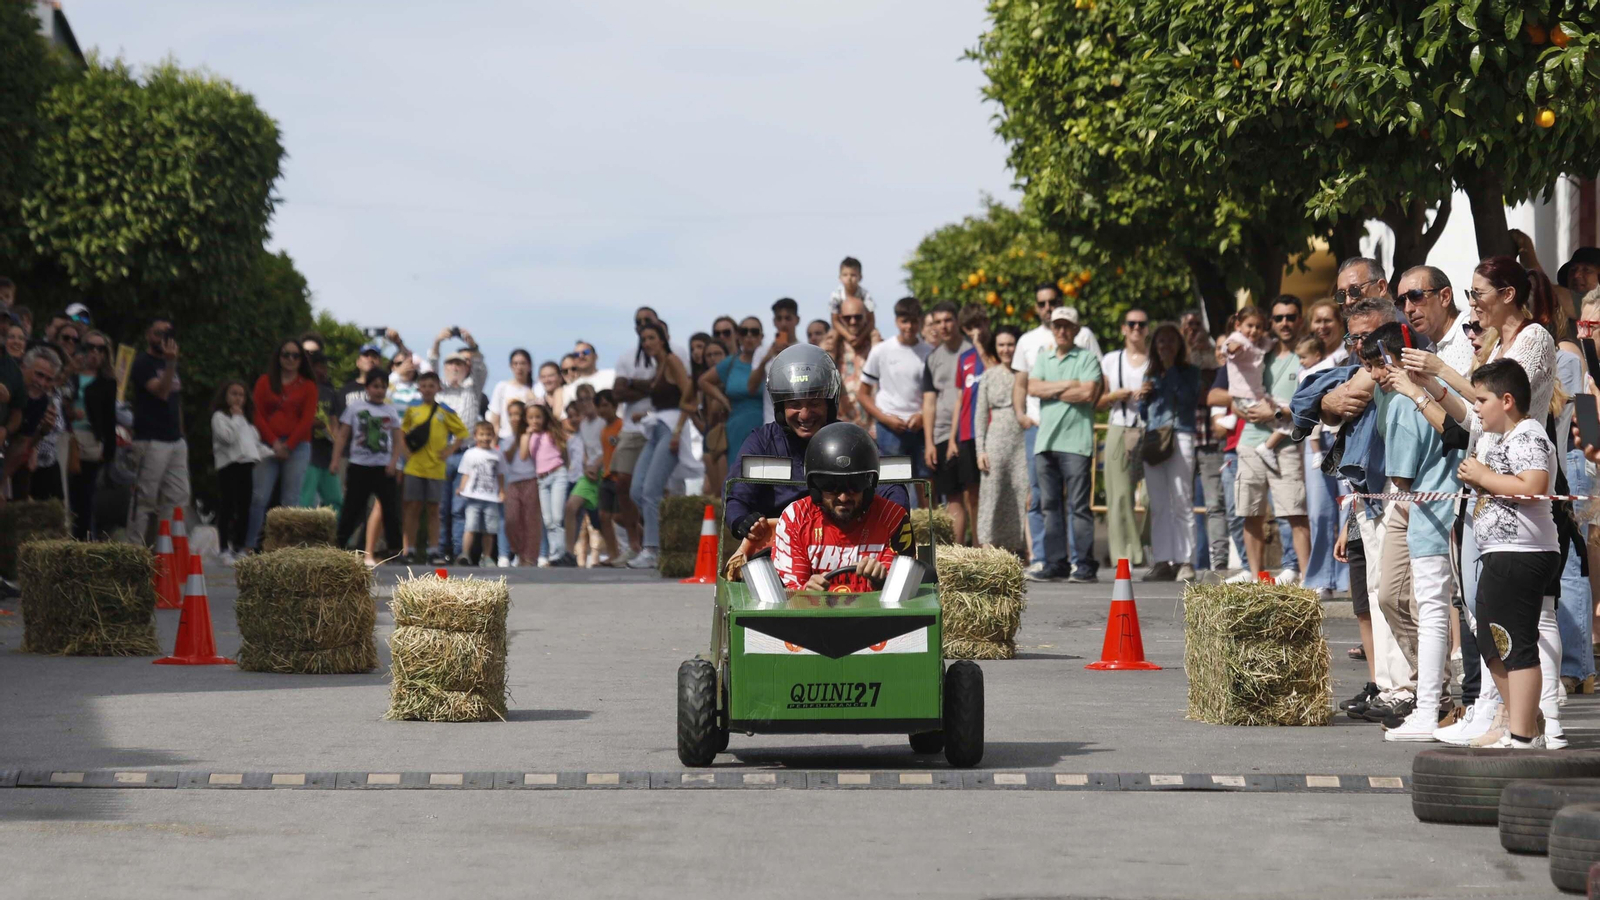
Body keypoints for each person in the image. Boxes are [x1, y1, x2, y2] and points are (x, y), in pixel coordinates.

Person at [1355, 324, 1465, 741]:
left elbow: (1401, 476)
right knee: (1393, 596)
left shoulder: (1409, 397)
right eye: (1369, 365)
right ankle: (1428, 687)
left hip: (1423, 499)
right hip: (1414, 500)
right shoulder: (1398, 393)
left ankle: (1433, 695)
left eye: (1380, 363)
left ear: (1401, 358)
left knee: (1427, 603)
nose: (1376, 373)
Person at [1459, 359, 1562, 749]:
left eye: (1481, 400)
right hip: (1500, 553)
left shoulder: (1528, 434)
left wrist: (1482, 477)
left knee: (1515, 643)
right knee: (1489, 639)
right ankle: (1522, 719)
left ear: (1506, 400)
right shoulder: (1500, 439)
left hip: (1523, 553)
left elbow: (1534, 484)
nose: (1476, 408)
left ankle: (1522, 735)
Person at [723, 343, 910, 541]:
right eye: (794, 404)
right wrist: (742, 521)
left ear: (829, 404)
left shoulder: (852, 439)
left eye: (814, 403)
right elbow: (736, 496)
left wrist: (891, 521)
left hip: (846, 548)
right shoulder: (762, 442)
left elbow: (891, 486)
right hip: (777, 551)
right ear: (780, 407)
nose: (804, 415)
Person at [1013, 283, 1103, 575]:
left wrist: (1053, 390)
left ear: (1076, 330)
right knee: (1049, 505)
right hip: (1045, 441)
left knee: (1078, 506)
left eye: (1067, 326)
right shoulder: (1043, 357)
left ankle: (1084, 563)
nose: (1062, 331)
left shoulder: (1087, 358)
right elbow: (1033, 387)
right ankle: (1056, 562)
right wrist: (1070, 386)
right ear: (1052, 329)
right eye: (1057, 326)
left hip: (1076, 442)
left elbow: (1089, 393)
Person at [772, 421, 911, 593]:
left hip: (876, 618)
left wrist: (882, 584)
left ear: (869, 485)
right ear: (815, 487)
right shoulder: (794, 518)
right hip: (813, 617)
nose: (843, 497)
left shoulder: (894, 518)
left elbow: (905, 595)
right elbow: (787, 596)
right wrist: (805, 593)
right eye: (830, 485)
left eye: (855, 484)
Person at [1234, 296, 1310, 584]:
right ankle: (1255, 578)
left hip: (1287, 442)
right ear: (1271, 323)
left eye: (1290, 317)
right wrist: (1245, 408)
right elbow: (1233, 393)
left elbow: (1311, 401)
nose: (1285, 323)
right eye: (1278, 318)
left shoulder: (1307, 354)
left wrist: (1277, 410)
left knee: (1295, 511)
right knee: (1250, 511)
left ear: (1299, 319)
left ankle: (1306, 579)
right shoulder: (1257, 353)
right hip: (1251, 440)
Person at [626, 321, 697, 569]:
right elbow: (668, 400)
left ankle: (652, 549)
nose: (647, 343)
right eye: (644, 339)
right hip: (657, 427)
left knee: (651, 490)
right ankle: (663, 539)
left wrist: (678, 431)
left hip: (671, 429)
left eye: (651, 338)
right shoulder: (658, 366)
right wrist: (645, 413)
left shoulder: (673, 360)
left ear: (663, 338)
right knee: (637, 490)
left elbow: (689, 395)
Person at [1139, 322, 1200, 582]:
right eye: (1161, 341)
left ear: (1179, 346)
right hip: (1154, 439)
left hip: (1180, 434)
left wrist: (1171, 369)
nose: (1166, 346)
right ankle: (1162, 561)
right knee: (1159, 503)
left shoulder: (1189, 372)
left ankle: (1185, 561)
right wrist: (1143, 397)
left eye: (1171, 341)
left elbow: (1188, 399)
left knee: (1181, 499)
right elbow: (1145, 414)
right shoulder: (1150, 375)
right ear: (1154, 346)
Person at [245, 339, 318, 550]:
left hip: (298, 446)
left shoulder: (308, 386)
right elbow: (256, 413)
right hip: (268, 444)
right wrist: (275, 442)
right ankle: (249, 546)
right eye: (286, 354)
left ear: (301, 360)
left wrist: (289, 445)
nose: (290, 359)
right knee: (259, 496)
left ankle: (284, 550)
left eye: (295, 356)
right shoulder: (265, 382)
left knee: (290, 499)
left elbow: (307, 419)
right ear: (278, 357)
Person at [127, 317, 189, 546]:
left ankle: (164, 553)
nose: (162, 337)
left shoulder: (170, 363)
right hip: (151, 440)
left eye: (167, 333)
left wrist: (181, 432)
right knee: (145, 498)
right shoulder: (143, 363)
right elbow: (162, 392)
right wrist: (171, 363)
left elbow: (175, 400)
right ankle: (134, 552)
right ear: (148, 335)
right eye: (157, 333)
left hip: (174, 440)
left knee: (178, 497)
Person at [331, 371, 404, 567]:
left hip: (383, 467)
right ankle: (338, 545)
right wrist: (335, 460)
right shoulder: (355, 408)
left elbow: (397, 440)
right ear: (367, 388)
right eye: (375, 386)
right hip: (359, 466)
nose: (379, 391)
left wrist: (393, 462)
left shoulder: (390, 411)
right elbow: (343, 435)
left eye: (382, 387)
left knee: (390, 509)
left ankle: (395, 550)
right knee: (352, 508)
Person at [1098, 309, 1151, 569]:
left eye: (1141, 324)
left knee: (1154, 495)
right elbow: (1098, 400)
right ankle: (1124, 555)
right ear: (1123, 328)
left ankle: (1147, 544)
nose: (1136, 328)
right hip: (1120, 426)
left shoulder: (1154, 360)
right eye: (1132, 324)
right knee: (1119, 495)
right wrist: (1115, 395)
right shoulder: (1111, 359)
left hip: (1151, 429)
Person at [858, 297, 932, 477]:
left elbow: (936, 394)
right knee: (893, 483)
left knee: (925, 481)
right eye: (904, 321)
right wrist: (885, 418)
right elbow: (863, 393)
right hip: (889, 428)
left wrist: (922, 415)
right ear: (896, 321)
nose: (909, 327)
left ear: (920, 321)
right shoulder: (882, 350)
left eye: (914, 321)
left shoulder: (930, 352)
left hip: (921, 426)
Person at [919, 302, 975, 541]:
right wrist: (929, 442)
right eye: (938, 321)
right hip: (941, 434)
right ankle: (957, 555)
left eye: (948, 320)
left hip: (970, 432)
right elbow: (929, 402)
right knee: (952, 496)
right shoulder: (933, 359)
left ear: (957, 322)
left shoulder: (973, 351)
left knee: (973, 494)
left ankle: (981, 550)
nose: (943, 326)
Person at [430, 330, 487, 561]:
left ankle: (457, 551)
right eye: (450, 364)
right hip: (441, 455)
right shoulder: (437, 390)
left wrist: (472, 344)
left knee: (460, 508)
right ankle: (442, 550)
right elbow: (431, 365)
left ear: (466, 367)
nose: (455, 367)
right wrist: (437, 340)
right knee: (441, 508)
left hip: (466, 454)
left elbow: (481, 366)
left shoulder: (472, 388)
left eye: (459, 364)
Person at [400, 371, 468, 565]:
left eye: (431, 385)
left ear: (438, 388)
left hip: (436, 467)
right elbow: (402, 431)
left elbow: (462, 433)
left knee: (433, 509)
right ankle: (409, 550)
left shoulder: (445, 410)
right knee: (412, 508)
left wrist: (449, 451)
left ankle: (433, 550)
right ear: (419, 388)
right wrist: (405, 452)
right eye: (424, 386)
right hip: (414, 467)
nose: (427, 389)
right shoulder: (412, 409)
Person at [974, 326, 1028, 555]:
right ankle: (987, 547)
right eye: (1002, 345)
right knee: (992, 494)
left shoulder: (1027, 374)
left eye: (1010, 344)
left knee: (1021, 493)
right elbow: (980, 415)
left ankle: (1018, 549)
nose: (1006, 349)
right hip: (995, 441)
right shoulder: (989, 376)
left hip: (1022, 441)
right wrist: (980, 450)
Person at [1223, 306, 1291, 475]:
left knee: (1288, 408)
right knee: (1289, 421)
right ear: (1239, 325)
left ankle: (1267, 446)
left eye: (1258, 327)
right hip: (1245, 397)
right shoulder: (1238, 339)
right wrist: (1234, 347)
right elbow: (1229, 346)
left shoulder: (1259, 343)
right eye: (1249, 326)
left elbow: (1270, 344)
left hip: (1257, 394)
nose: (1254, 331)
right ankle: (1267, 447)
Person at [699, 316, 765, 474]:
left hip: (763, 425)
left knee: (762, 477)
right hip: (735, 426)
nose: (749, 336)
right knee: (737, 477)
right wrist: (722, 399)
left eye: (754, 332)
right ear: (738, 336)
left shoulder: (770, 361)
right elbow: (703, 381)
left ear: (761, 337)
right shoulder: (732, 362)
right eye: (744, 331)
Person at [68, 330, 117, 540]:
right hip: (67, 436)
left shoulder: (108, 383)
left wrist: (109, 451)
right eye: (90, 347)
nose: (95, 353)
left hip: (90, 439)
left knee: (85, 496)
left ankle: (82, 541)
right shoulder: (70, 375)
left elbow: (109, 418)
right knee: (64, 493)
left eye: (101, 349)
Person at [454, 422, 506, 567]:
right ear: (475, 436)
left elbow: (500, 474)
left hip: (491, 497)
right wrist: (461, 487)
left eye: (488, 434)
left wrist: (502, 491)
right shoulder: (470, 453)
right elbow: (466, 473)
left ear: (493, 436)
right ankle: (465, 554)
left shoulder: (497, 454)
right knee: (470, 526)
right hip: (473, 497)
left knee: (489, 529)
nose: (485, 437)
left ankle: (487, 556)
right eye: (482, 434)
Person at [498, 400, 541, 567]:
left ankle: (529, 557)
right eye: (511, 415)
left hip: (531, 479)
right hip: (513, 482)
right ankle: (518, 550)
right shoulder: (507, 439)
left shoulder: (533, 435)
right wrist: (518, 438)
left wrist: (527, 435)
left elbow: (528, 456)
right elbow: (507, 458)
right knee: (511, 520)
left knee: (530, 520)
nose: (515, 418)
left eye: (518, 414)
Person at [822, 294, 876, 430]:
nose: (853, 322)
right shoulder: (831, 345)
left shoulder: (877, 346)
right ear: (840, 319)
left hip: (872, 427)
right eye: (847, 318)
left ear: (866, 317)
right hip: (840, 426)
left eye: (858, 317)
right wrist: (831, 348)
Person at [749, 297, 801, 424]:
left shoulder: (802, 350)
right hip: (771, 421)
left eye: (788, 318)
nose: (783, 323)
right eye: (779, 318)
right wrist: (767, 358)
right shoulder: (762, 352)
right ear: (774, 321)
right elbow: (751, 388)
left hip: (799, 421)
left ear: (797, 320)